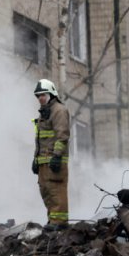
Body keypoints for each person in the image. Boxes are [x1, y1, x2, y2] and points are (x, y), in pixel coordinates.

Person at [32, 79, 71, 231]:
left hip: (54, 160)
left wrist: (57, 156)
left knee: (56, 190)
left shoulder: (59, 110)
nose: (40, 98)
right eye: (38, 96)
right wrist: (36, 160)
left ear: (51, 93)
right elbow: (40, 140)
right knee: (46, 190)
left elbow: (62, 135)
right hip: (44, 161)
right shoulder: (44, 113)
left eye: (43, 94)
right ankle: (53, 219)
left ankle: (59, 223)